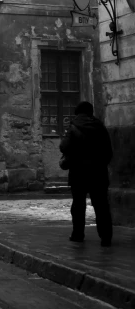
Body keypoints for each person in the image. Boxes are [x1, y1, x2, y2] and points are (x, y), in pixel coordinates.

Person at [60, 100, 113, 247]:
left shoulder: (73, 127)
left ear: (77, 112)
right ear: (91, 112)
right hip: (98, 173)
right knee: (101, 205)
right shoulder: (100, 126)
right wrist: (99, 164)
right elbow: (108, 152)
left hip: (78, 173)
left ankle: (78, 234)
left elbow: (64, 147)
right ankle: (106, 237)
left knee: (78, 205)